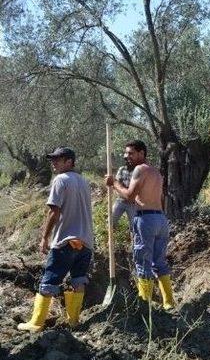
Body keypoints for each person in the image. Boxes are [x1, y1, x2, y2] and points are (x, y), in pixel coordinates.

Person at [18, 147, 93, 332]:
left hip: (66, 241)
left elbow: (54, 211)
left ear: (69, 161)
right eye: (52, 159)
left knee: (49, 281)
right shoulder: (83, 181)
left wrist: (44, 237)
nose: (53, 162)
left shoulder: (61, 180)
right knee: (78, 281)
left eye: (58, 159)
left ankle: (36, 323)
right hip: (86, 243)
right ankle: (73, 321)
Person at [105, 140, 175, 309]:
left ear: (142, 153)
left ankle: (144, 305)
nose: (126, 156)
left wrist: (114, 183)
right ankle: (169, 303)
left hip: (146, 219)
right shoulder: (156, 173)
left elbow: (129, 196)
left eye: (130, 153)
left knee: (143, 262)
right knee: (159, 262)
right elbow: (160, 198)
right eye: (126, 153)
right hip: (160, 219)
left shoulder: (140, 169)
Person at [112, 160, 138, 230]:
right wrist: (124, 190)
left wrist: (124, 189)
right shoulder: (122, 169)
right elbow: (117, 183)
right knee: (111, 221)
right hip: (120, 200)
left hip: (132, 203)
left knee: (134, 226)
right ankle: (110, 238)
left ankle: (133, 239)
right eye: (127, 160)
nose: (128, 162)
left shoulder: (137, 171)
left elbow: (135, 188)